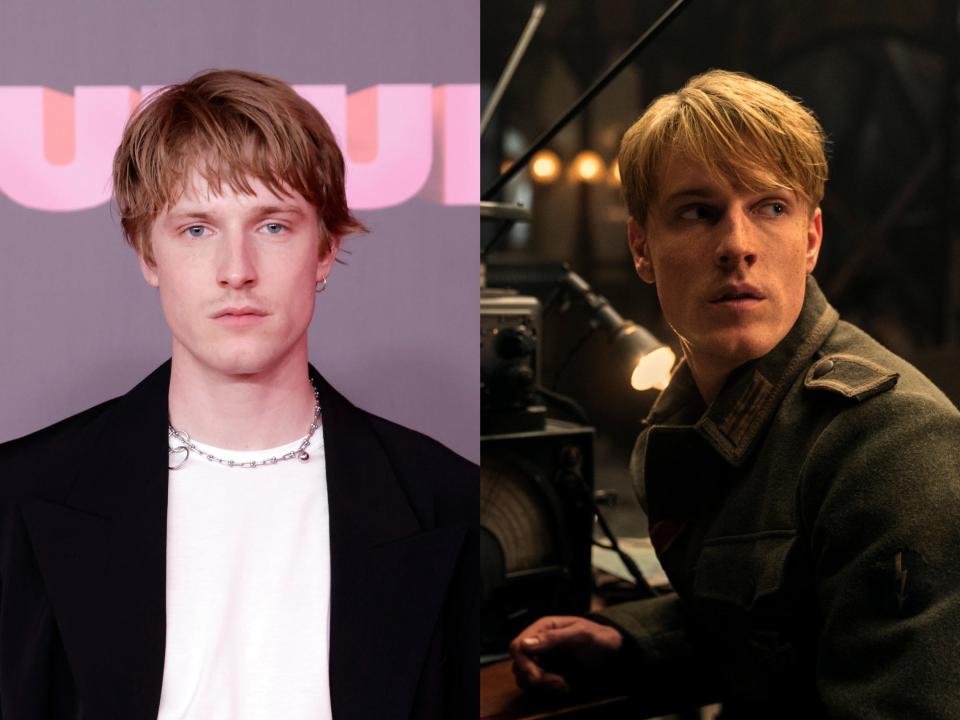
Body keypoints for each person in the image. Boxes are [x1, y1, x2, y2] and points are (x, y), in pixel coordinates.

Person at [0, 69, 477, 720]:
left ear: (325, 249)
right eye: (197, 229)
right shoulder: (21, 494)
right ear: (148, 253)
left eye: (273, 226)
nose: (237, 271)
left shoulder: (445, 498)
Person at [510, 69, 960, 717]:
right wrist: (631, 641)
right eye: (698, 212)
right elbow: (781, 630)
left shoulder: (890, 444)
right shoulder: (701, 411)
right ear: (641, 246)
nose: (737, 246)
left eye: (771, 208)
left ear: (810, 239)